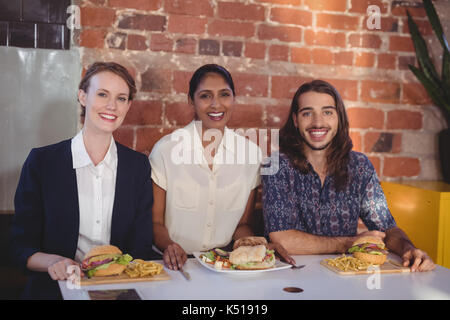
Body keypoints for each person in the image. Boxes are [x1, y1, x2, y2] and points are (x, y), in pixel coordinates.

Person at [10, 62, 154, 299]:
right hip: (54, 288)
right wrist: (54, 261)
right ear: (83, 96)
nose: (111, 105)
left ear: (128, 105)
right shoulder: (42, 162)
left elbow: (140, 247)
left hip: (118, 291)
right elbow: (20, 246)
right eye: (102, 94)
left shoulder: (137, 166)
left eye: (121, 98)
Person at [262, 80, 435, 272]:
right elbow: (283, 239)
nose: (318, 122)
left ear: (339, 118)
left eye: (327, 112)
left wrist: (408, 248)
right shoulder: (276, 165)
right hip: (291, 276)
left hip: (345, 275)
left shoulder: (359, 166)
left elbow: (387, 229)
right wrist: (350, 243)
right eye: (307, 113)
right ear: (295, 120)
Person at [150, 64, 294, 270]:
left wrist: (258, 246)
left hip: (223, 264)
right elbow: (155, 223)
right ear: (191, 100)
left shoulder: (250, 154)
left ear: (233, 98)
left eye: (224, 95)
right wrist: (170, 247)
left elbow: (241, 225)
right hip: (173, 264)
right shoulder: (166, 150)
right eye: (206, 96)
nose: (216, 104)